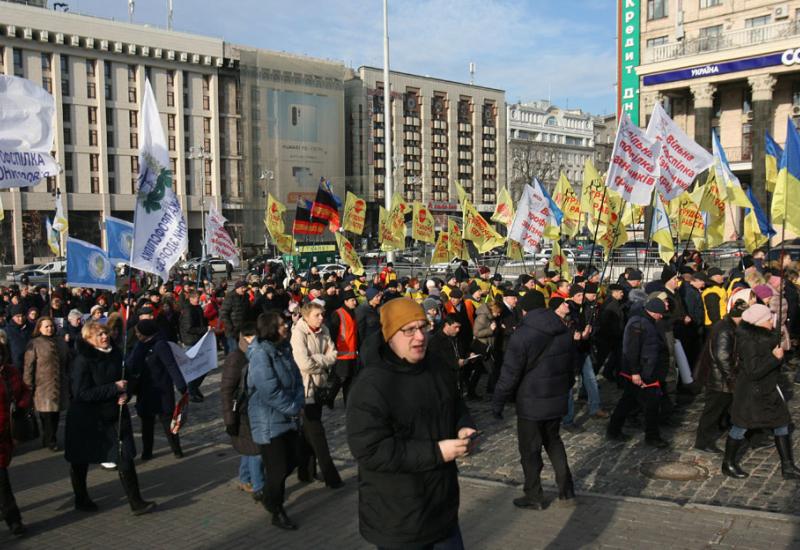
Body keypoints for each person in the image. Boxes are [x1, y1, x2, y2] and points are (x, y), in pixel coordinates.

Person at [347, 298, 476, 548]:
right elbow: (370, 450)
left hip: (442, 508)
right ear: (389, 335)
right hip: (399, 518)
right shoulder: (371, 384)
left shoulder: (436, 366)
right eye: (408, 330)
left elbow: (456, 404)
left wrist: (463, 424)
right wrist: (437, 452)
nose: (419, 337)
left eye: (423, 327)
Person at [493, 296, 576, 509]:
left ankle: (534, 496)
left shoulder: (521, 335)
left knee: (530, 451)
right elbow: (570, 368)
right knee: (554, 443)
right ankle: (566, 492)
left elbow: (509, 374)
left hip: (531, 401)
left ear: (524, 311)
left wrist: (498, 402)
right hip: (555, 398)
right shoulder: (563, 328)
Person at [64, 321, 156, 515]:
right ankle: (81, 498)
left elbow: (128, 379)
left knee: (125, 457)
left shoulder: (116, 354)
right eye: (99, 335)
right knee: (81, 460)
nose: (104, 337)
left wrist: (126, 393)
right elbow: (81, 393)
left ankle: (136, 502)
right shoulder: (83, 360)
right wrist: (114, 388)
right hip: (88, 420)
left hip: (115, 416)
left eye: (105, 333)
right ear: (88, 339)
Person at [722, 304, 800, 480]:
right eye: (767, 319)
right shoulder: (747, 341)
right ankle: (728, 463)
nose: (770, 321)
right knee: (740, 427)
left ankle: (787, 466)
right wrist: (775, 358)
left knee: (781, 423)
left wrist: (778, 350)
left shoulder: (764, 337)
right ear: (758, 322)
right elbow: (753, 372)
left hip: (768, 390)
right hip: (751, 393)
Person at [246, 311, 305, 530]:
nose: (286, 326)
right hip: (268, 421)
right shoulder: (260, 354)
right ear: (271, 328)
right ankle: (276, 509)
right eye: (282, 324)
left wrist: (298, 401)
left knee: (294, 459)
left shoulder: (284, 347)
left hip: (288, 416)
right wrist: (292, 408)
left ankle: (267, 496)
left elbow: (297, 377)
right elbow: (268, 390)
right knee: (278, 469)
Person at [290, 302, 343, 488]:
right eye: (317, 315)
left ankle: (306, 471)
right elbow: (303, 363)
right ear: (306, 316)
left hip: (319, 386)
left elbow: (333, 355)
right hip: (304, 389)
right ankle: (331, 476)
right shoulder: (298, 333)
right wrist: (323, 360)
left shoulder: (325, 329)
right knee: (317, 432)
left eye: (322, 314)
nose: (321, 318)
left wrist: (319, 359)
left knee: (308, 432)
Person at [606, 298, 671, 448]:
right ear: (653, 312)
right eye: (660, 314)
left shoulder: (646, 321)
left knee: (628, 401)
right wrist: (635, 372)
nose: (661, 316)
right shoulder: (638, 323)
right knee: (651, 404)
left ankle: (613, 430)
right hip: (642, 372)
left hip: (646, 370)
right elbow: (631, 350)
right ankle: (652, 437)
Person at [129, 319, 187, 460]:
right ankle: (147, 451)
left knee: (168, 422)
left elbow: (171, 365)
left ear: (146, 332)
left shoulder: (161, 345)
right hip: (145, 389)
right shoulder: (140, 345)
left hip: (162, 389)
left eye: (138, 332)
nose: (136, 334)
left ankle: (176, 449)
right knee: (146, 424)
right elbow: (132, 364)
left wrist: (181, 386)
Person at [693, 301, 747, 454]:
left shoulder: (730, 327)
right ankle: (703, 441)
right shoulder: (725, 329)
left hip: (722, 377)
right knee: (713, 410)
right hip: (718, 379)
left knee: (722, 408)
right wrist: (732, 378)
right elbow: (722, 356)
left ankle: (724, 432)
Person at [220, 321, 264, 501]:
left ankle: (245, 478)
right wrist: (229, 419)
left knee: (249, 447)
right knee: (256, 450)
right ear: (245, 338)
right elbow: (226, 391)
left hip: (255, 408)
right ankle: (259, 486)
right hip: (242, 410)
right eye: (254, 337)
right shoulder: (236, 358)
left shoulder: (256, 354)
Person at [23, 316, 69, 451]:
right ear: (40, 328)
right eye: (46, 326)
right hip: (43, 385)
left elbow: (68, 361)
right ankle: (51, 440)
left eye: (51, 326)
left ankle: (48, 437)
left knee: (54, 414)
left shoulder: (60, 342)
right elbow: (28, 367)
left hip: (60, 383)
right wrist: (28, 386)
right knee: (47, 415)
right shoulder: (34, 344)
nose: (50, 328)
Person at [0, 339, 31, 536]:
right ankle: (14, 520)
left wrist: (21, 406)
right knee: (2, 481)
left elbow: (24, 392)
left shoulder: (10, 372)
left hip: (6, 433)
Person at [328, 289, 359, 406]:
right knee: (342, 378)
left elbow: (355, 333)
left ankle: (347, 402)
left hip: (352, 351)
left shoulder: (353, 313)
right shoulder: (338, 313)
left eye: (354, 300)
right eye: (352, 300)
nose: (355, 302)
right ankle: (330, 398)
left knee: (349, 379)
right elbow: (333, 333)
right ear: (345, 301)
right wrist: (334, 349)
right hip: (342, 352)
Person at [180, 291, 209, 403]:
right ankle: (191, 391)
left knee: (203, 367)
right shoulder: (188, 310)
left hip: (198, 340)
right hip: (191, 342)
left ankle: (194, 388)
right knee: (193, 368)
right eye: (196, 298)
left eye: (198, 297)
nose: (198, 299)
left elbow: (201, 321)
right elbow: (189, 328)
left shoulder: (197, 308)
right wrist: (205, 329)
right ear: (191, 298)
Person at [220, 280, 253, 353]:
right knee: (234, 351)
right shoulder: (230, 297)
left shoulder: (246, 296)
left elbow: (248, 311)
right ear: (237, 288)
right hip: (232, 330)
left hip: (243, 329)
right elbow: (224, 313)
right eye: (242, 288)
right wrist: (230, 327)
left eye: (245, 288)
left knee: (243, 351)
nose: (244, 289)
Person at [5, 304, 31, 371]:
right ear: (13, 317)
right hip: (14, 366)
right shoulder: (7, 330)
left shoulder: (31, 328)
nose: (21, 319)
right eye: (18, 316)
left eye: (23, 316)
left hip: (30, 364)